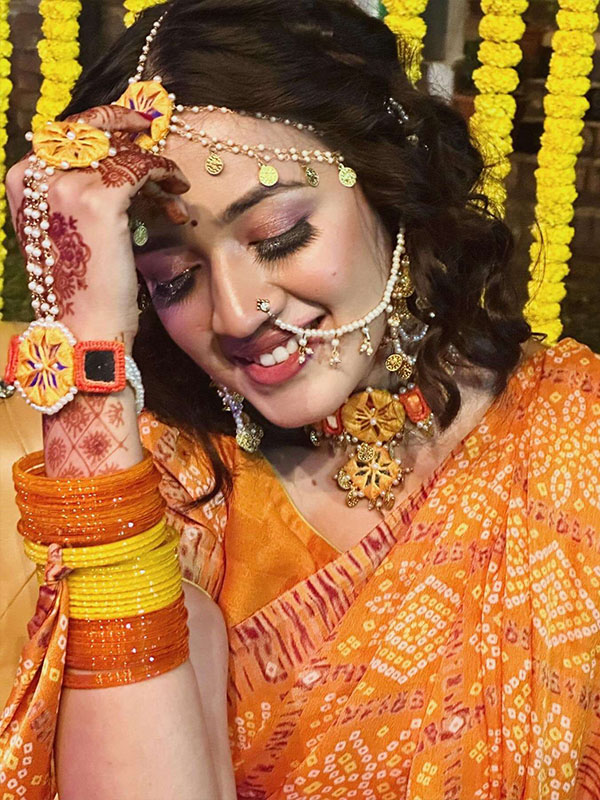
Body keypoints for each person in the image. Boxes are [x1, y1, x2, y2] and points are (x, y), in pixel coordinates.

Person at [1, 1, 599, 798]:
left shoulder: (573, 437)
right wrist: (83, 348)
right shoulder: (171, 498)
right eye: (172, 281)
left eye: (279, 233)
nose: (237, 313)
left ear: (386, 182)